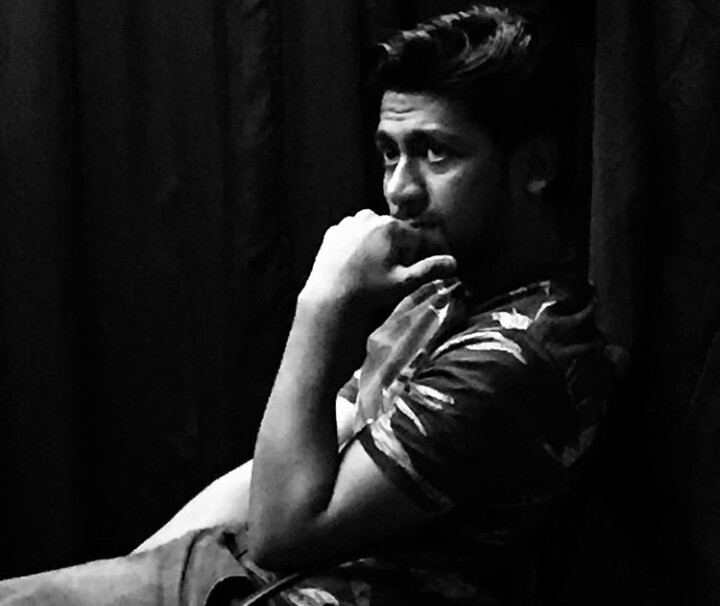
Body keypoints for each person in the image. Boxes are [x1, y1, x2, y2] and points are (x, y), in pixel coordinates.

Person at [0, 4, 615, 605]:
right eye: (390, 152)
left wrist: (322, 304)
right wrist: (128, 576)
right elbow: (269, 476)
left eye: (436, 153)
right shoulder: (440, 294)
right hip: (234, 571)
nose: (399, 189)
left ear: (534, 167)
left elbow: (284, 533)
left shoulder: (517, 353)